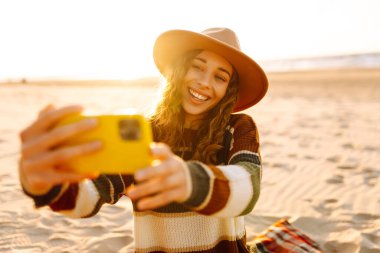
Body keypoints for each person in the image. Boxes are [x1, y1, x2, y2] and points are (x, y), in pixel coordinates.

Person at [19, 28, 324, 253]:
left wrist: (188, 180)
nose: (204, 82)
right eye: (198, 66)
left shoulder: (238, 128)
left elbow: (247, 188)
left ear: (229, 90)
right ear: (180, 70)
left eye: (220, 76)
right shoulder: (145, 136)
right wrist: (43, 183)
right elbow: (90, 196)